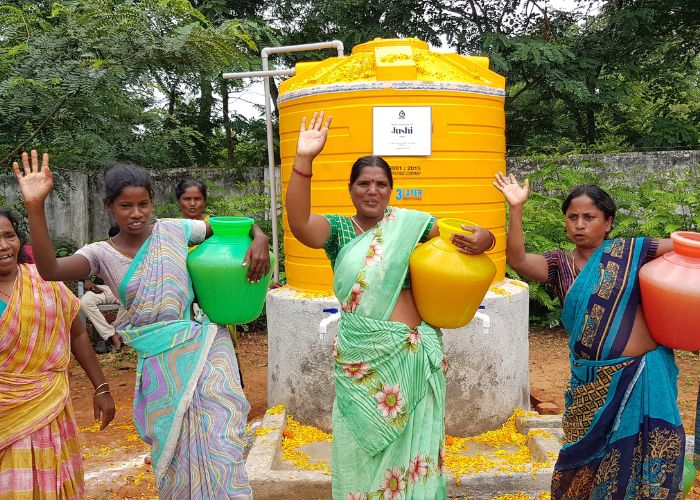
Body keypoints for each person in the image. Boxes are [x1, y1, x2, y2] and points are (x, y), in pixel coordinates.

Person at [14, 151, 270, 498]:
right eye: (126, 206)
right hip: (160, 364)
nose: (137, 214)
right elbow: (50, 271)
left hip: (206, 349)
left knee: (221, 439)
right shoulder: (100, 254)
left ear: (152, 203)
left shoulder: (174, 230)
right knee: (176, 452)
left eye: (144, 204)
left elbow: (236, 223)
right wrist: (35, 206)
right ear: (109, 207)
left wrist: (260, 239)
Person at [286, 112, 495, 499]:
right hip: (363, 360)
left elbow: (466, 236)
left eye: (381, 184)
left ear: (391, 190)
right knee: (359, 443)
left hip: (415, 356)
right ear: (351, 189)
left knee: (414, 449)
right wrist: (304, 161)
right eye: (363, 183)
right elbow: (299, 224)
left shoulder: (413, 227)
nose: (372, 190)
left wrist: (486, 239)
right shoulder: (340, 231)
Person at [493, 172, 685, 497]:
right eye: (573, 217)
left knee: (645, 461)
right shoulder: (560, 264)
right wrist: (516, 209)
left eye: (589, 217)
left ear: (608, 222)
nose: (579, 224)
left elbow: (686, 247)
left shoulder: (631, 252)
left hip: (642, 376)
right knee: (580, 461)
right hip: (589, 385)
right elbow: (518, 259)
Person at [0, 207, 115, 498]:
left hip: (49, 407)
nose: (3, 246)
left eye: (8, 236)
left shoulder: (43, 282)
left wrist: (101, 387)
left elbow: (76, 332)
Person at [80, 226, 128, 352]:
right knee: (85, 302)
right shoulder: (100, 251)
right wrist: (87, 280)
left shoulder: (133, 252)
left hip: (121, 290)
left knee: (133, 300)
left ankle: (115, 332)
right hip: (100, 289)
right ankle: (110, 335)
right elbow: (82, 266)